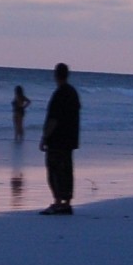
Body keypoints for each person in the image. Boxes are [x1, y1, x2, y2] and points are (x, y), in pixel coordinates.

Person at [39, 62, 80, 215]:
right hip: (70, 139)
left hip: (57, 140)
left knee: (54, 171)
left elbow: (53, 119)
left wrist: (44, 137)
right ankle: (66, 202)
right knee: (67, 171)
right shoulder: (72, 93)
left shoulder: (59, 94)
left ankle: (58, 202)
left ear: (56, 75)